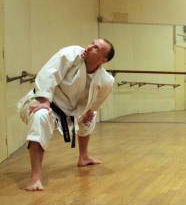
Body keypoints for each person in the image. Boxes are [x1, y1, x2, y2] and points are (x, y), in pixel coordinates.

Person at [16, 38, 116, 191]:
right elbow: (49, 73)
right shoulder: (71, 54)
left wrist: (89, 113)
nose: (89, 47)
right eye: (91, 43)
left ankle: (83, 157)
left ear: (103, 60)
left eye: (96, 48)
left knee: (90, 118)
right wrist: (44, 100)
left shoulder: (106, 80)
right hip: (44, 101)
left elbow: (96, 103)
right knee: (40, 116)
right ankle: (35, 178)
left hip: (69, 111)